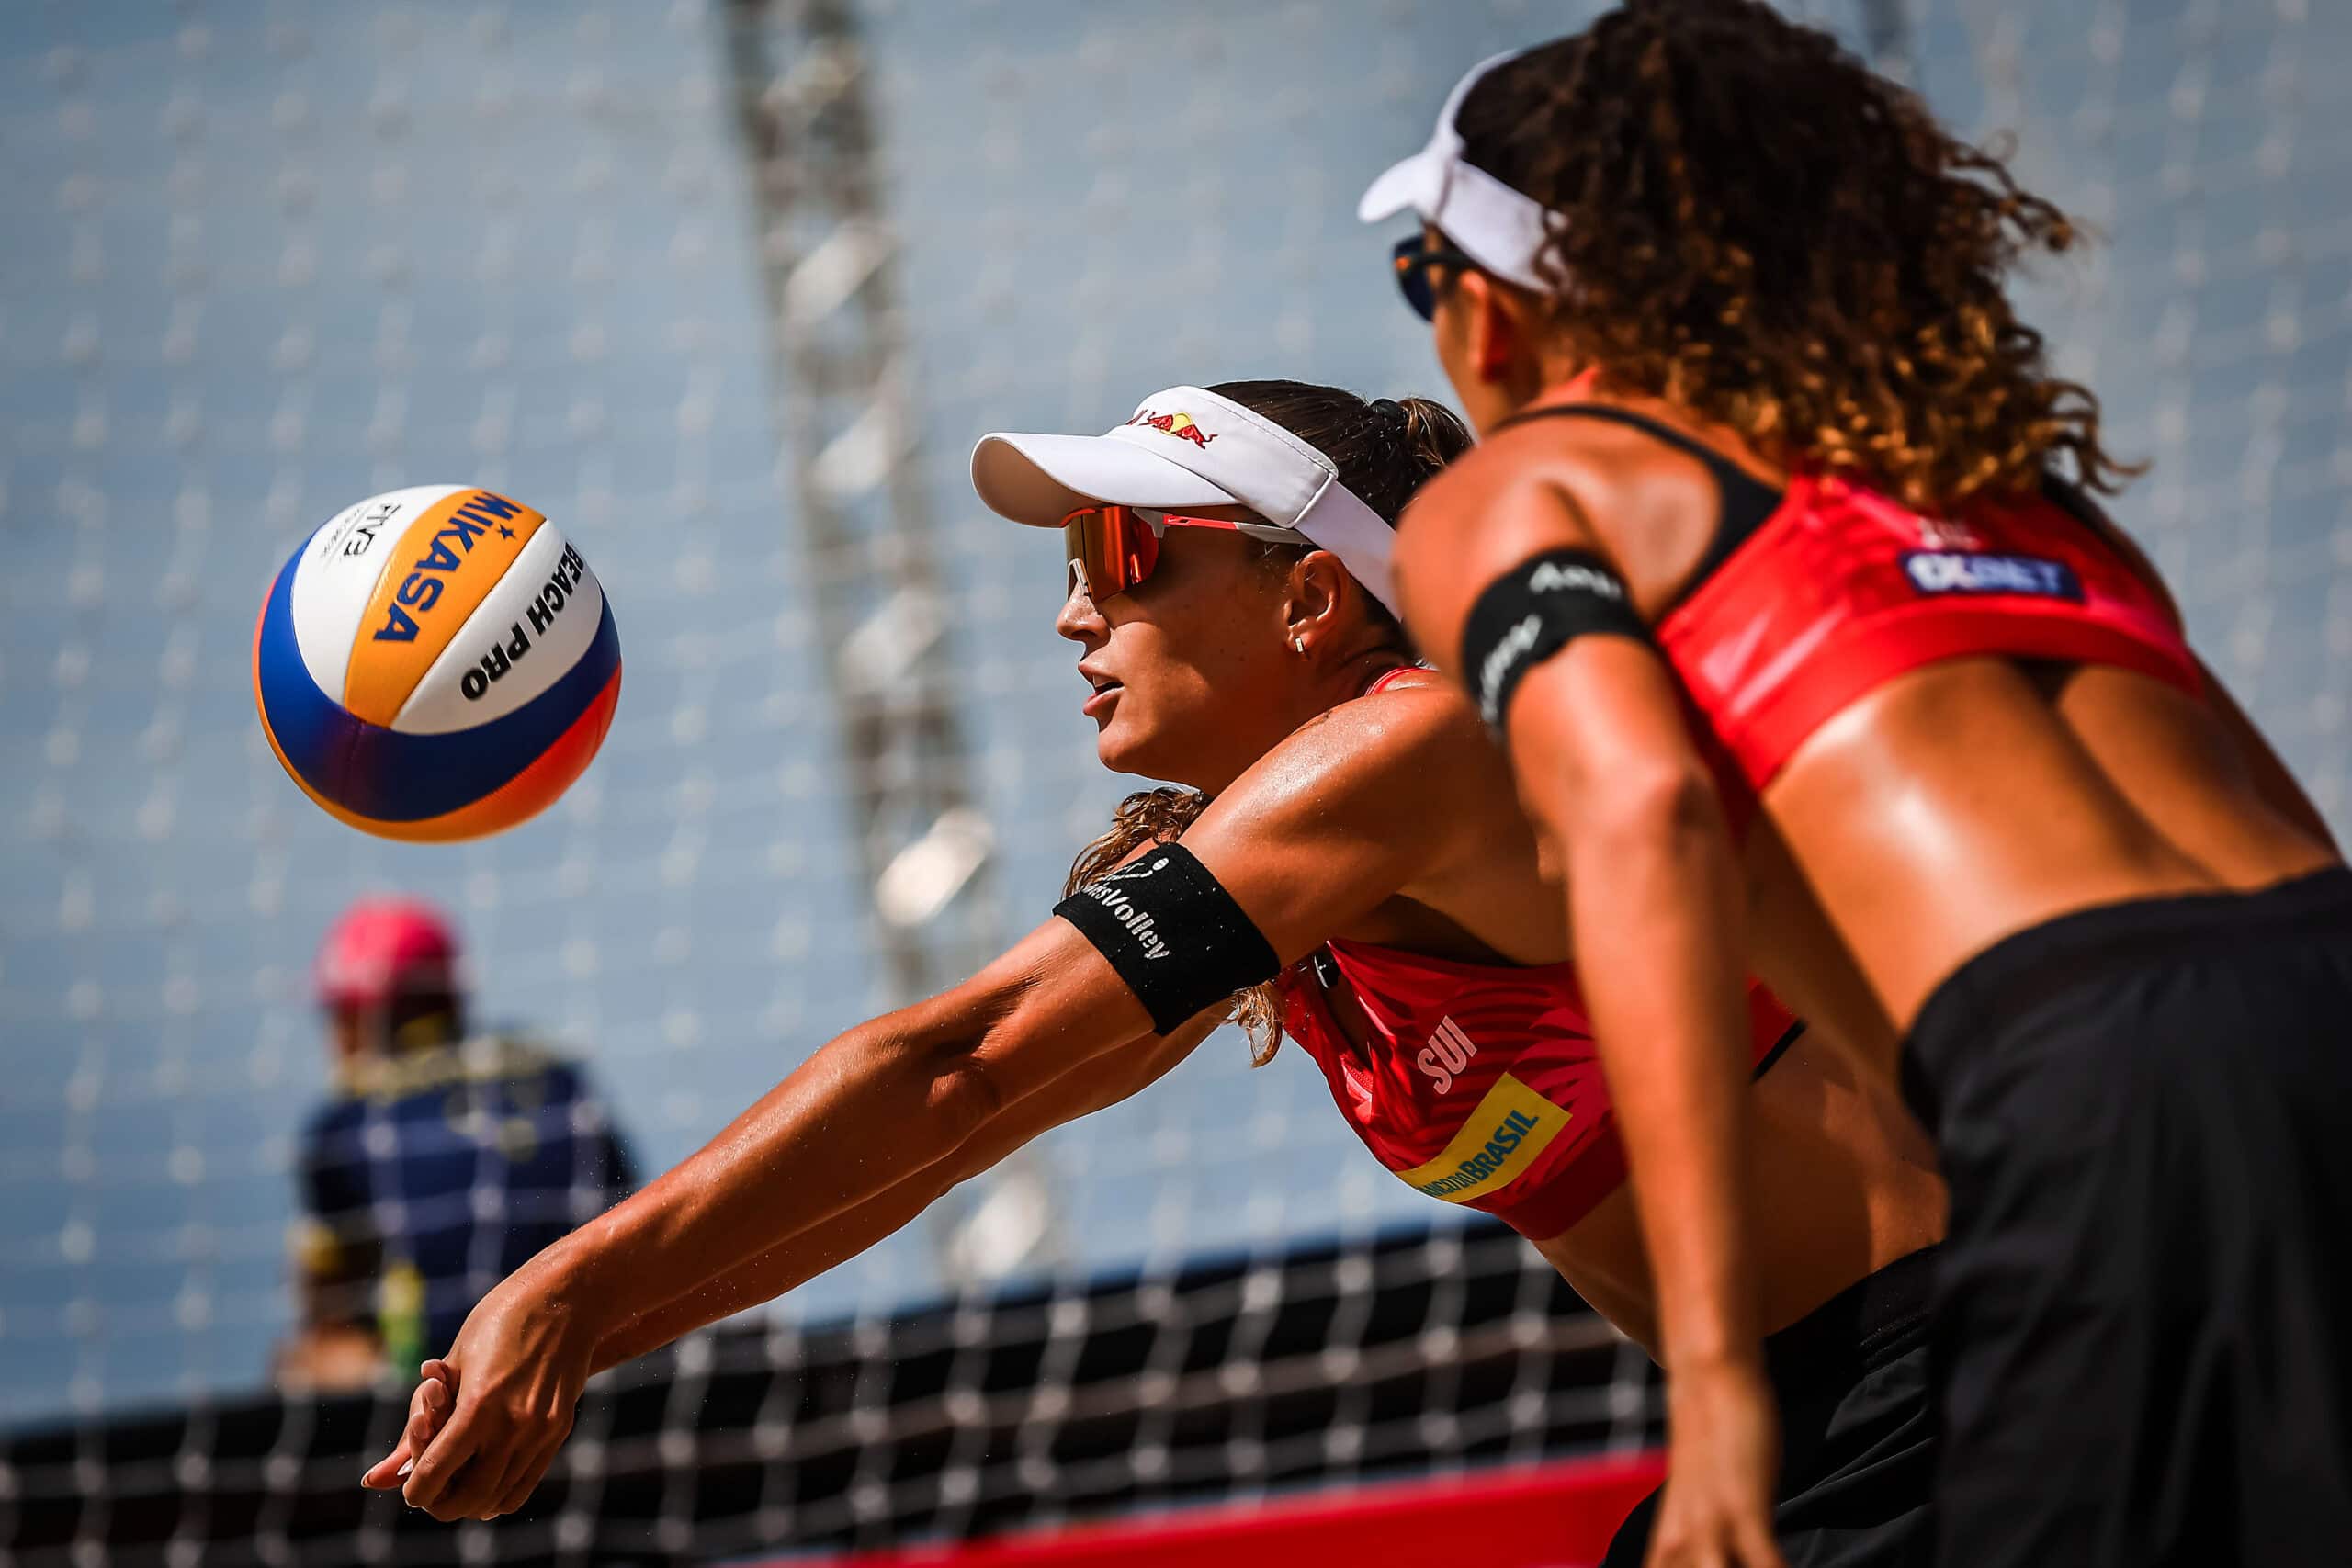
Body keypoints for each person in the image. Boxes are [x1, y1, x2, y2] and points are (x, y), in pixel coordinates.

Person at [363, 379, 1945, 1565]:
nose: (1073, 612)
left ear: (1312, 596)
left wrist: (568, 1283)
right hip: (1833, 1412)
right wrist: (584, 1339)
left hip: (1959, 1353)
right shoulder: (1299, 880)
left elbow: (958, 1066)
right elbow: (954, 1133)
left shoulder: (1418, 742)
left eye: (1122, 552)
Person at [1362, 7, 2352, 1564]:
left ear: (1493, 312)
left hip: (2077, 1053)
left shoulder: (1522, 487)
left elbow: (1646, 817)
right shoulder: (1994, 476)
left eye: (1425, 278)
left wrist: (1715, 1380)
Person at [277, 897, 639, 1392]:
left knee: (305, 1362)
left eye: (337, 1015)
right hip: (611, 1366)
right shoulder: (554, 1076)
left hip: (451, 1392)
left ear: (363, 1015)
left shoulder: (347, 1125)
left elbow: (326, 1314)